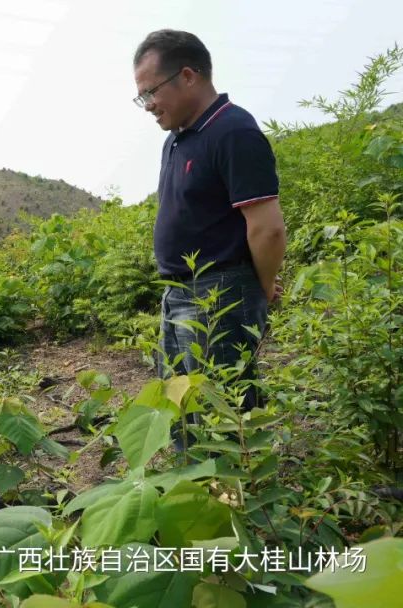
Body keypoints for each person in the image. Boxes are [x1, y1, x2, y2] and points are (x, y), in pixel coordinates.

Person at [132, 30, 287, 443]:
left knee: (224, 414)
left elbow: (268, 227)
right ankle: (193, 480)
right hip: (177, 295)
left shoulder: (233, 131)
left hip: (218, 296)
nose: (148, 105)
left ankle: (232, 484)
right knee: (179, 411)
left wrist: (262, 286)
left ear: (188, 76)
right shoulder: (176, 140)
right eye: (141, 97)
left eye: (151, 92)